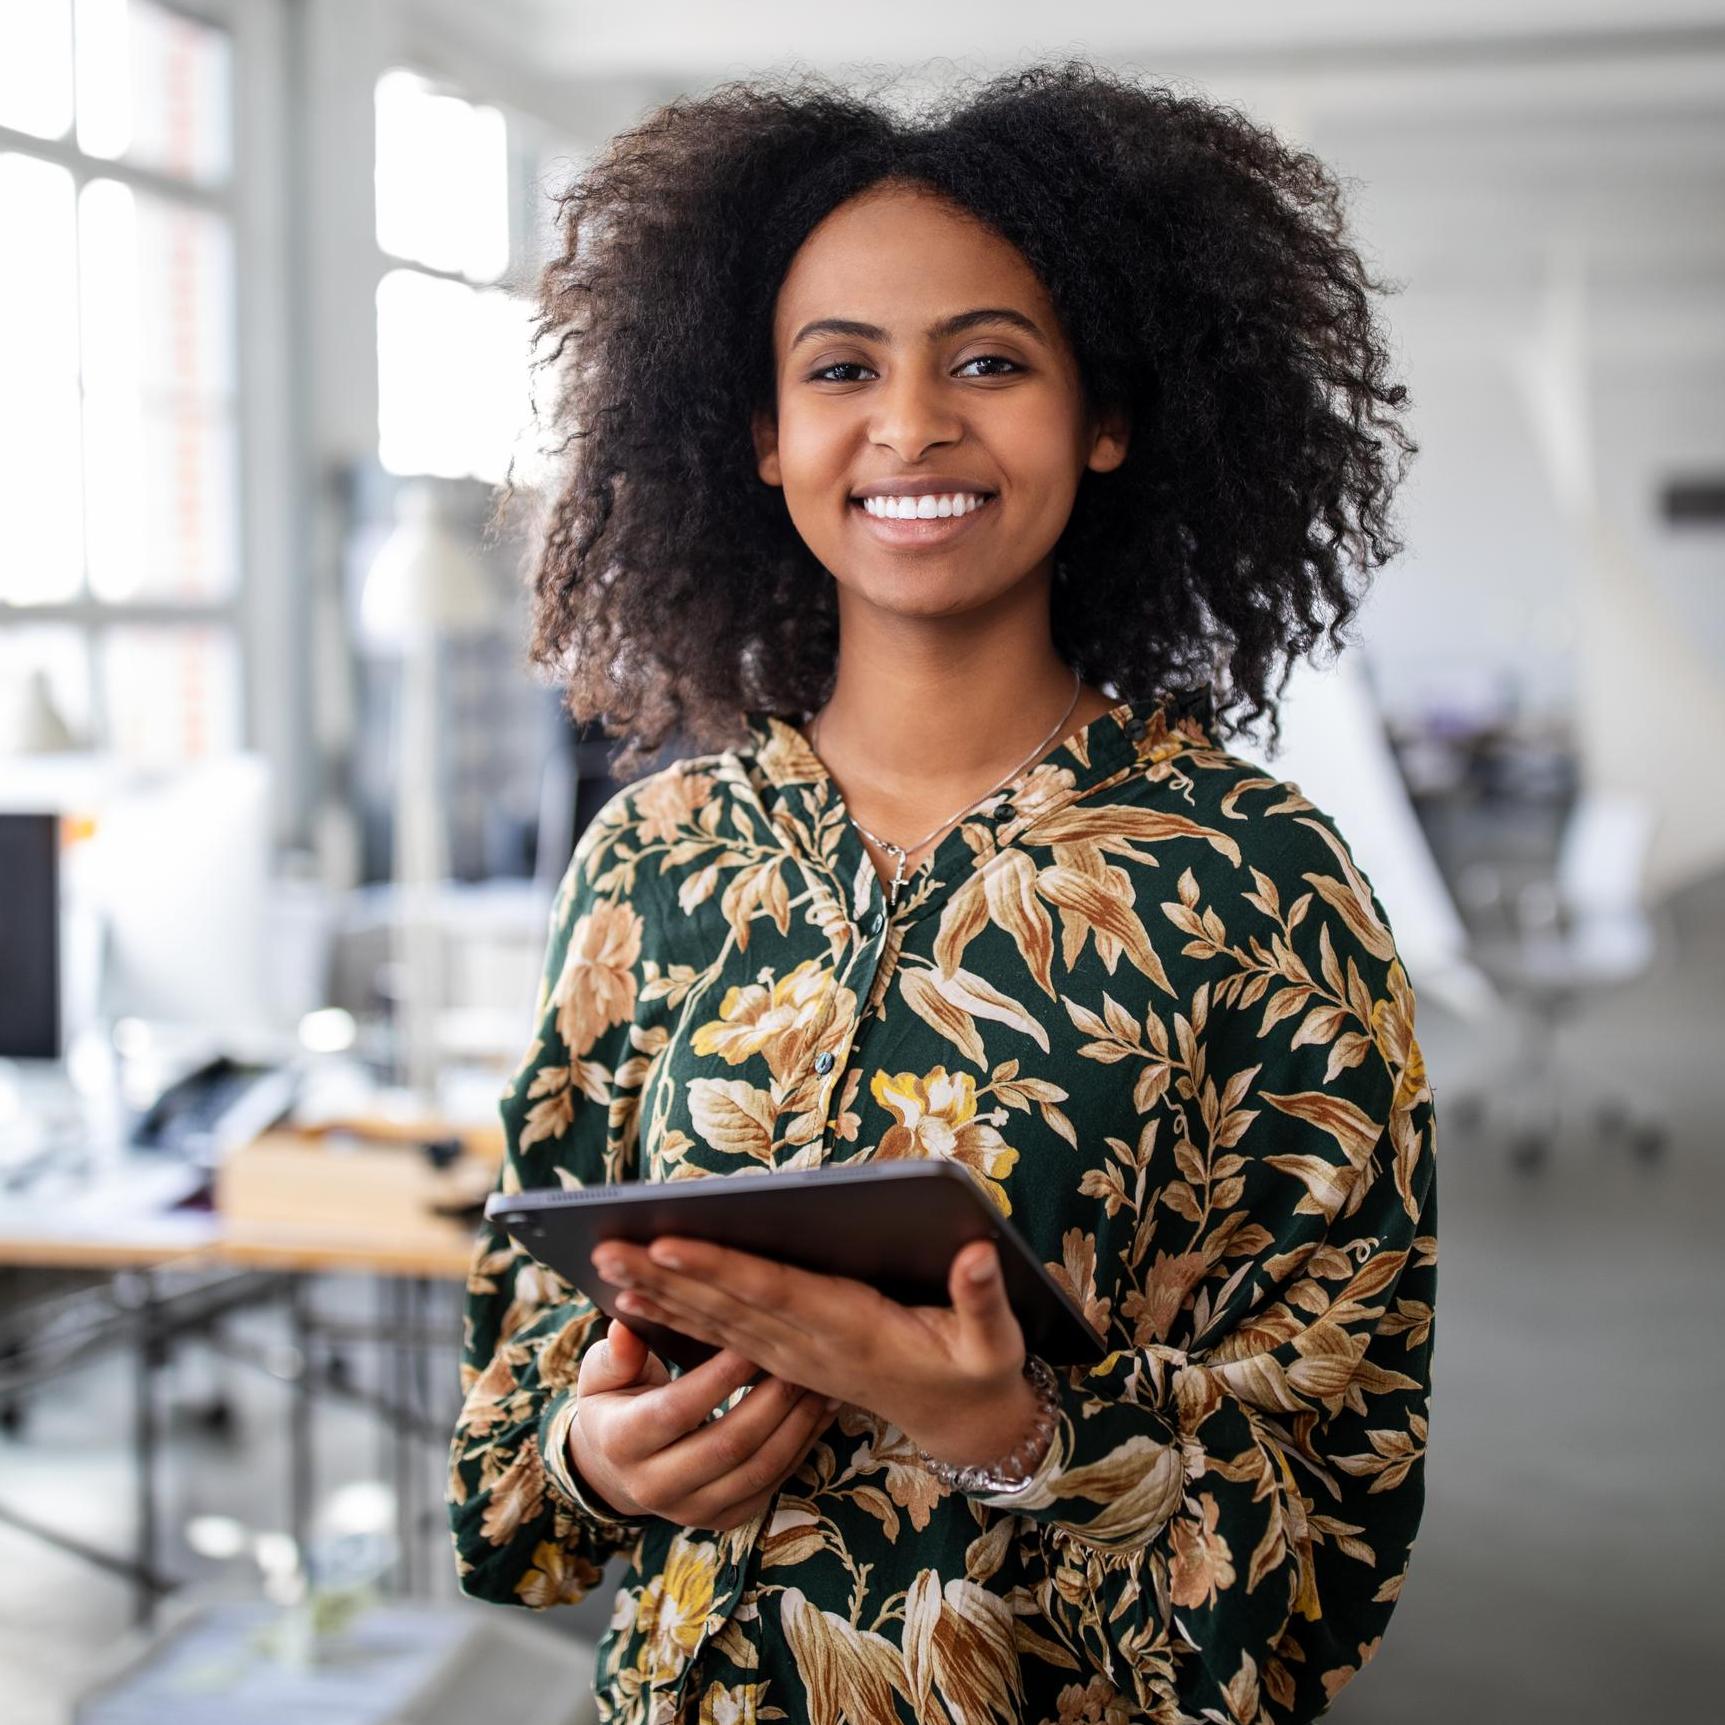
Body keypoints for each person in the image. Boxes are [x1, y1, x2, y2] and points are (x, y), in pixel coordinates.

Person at [447, 60, 1435, 1725]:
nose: (909, 423)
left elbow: (1332, 1541)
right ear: (762, 437)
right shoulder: (654, 861)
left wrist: (1019, 1436)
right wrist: (596, 1457)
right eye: (840, 369)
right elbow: (505, 1446)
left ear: (1105, 416)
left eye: (989, 359)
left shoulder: (1262, 884)